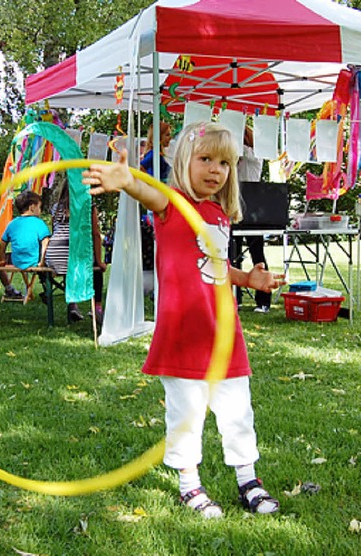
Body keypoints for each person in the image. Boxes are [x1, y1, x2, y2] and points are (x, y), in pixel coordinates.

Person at [83, 121, 285, 519]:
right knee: (186, 414)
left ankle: (249, 480)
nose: (216, 170)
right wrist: (128, 181)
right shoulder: (173, 205)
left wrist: (249, 278)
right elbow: (149, 193)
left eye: (224, 163)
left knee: (237, 411)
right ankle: (189, 486)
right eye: (205, 159)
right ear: (183, 163)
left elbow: (218, 265)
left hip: (224, 333)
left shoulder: (220, 214)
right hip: (184, 335)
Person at [44, 178, 106, 323]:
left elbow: (55, 231)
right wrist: (99, 261)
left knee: (68, 266)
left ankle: (73, 304)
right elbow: (95, 234)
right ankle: (96, 308)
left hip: (54, 254)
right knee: (95, 270)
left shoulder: (56, 207)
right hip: (74, 252)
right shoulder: (87, 204)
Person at [235, 125, 272, 313]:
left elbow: (236, 149)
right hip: (236, 203)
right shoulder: (237, 157)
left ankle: (264, 301)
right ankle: (235, 297)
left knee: (257, 254)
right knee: (233, 255)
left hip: (253, 207)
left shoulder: (255, 154)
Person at [0, 189, 50, 271]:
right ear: (32, 207)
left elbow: (2, 243)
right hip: (34, 262)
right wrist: (42, 261)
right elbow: (45, 242)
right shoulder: (39, 223)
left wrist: (2, 259)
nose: (40, 211)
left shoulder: (12, 223)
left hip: (16, 262)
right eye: (39, 207)